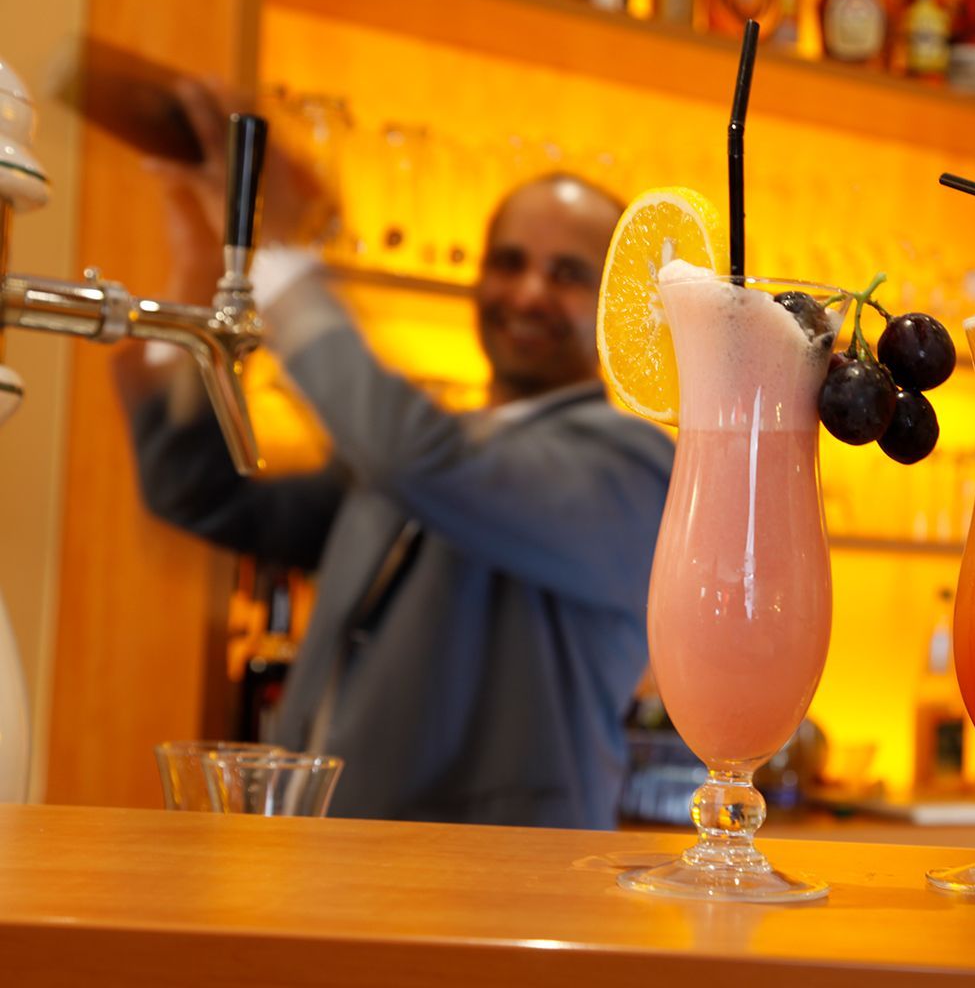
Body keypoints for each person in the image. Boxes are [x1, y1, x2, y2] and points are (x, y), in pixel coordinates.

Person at [114, 87, 674, 828]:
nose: (529, 293)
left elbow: (419, 459)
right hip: (333, 861)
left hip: (506, 882)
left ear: (618, 308)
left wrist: (278, 261)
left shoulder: (633, 466)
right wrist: (196, 276)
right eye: (509, 262)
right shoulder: (428, 451)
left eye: (569, 275)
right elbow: (201, 495)